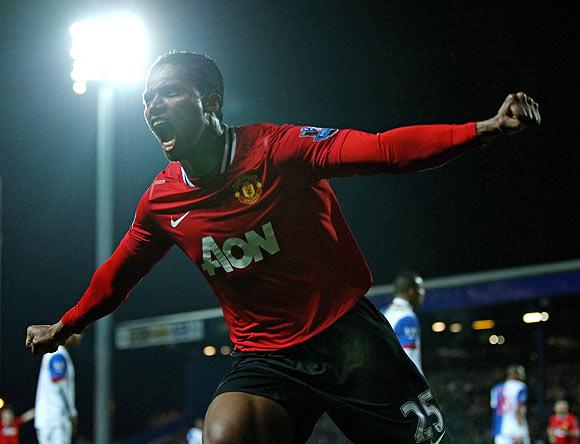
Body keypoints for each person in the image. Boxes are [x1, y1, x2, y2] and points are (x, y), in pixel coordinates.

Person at [25, 51, 540, 443]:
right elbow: (117, 276)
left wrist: (485, 129)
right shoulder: (161, 201)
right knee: (224, 435)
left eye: (168, 92)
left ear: (212, 101)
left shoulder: (279, 149)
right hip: (266, 357)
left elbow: (384, 150)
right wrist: (65, 325)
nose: (151, 105)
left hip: (347, 340)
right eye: (146, 99)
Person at [34, 334, 80, 444]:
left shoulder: (51, 352)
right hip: (58, 418)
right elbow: (60, 383)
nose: (79, 338)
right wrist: (72, 412)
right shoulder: (59, 353)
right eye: (77, 333)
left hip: (44, 418)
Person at [383, 271, 425, 373]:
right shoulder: (407, 317)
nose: (423, 292)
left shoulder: (384, 313)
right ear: (411, 291)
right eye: (420, 288)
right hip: (404, 384)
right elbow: (409, 359)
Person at [490, 364, 530, 444]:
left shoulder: (496, 388)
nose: (523, 375)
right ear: (513, 374)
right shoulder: (520, 386)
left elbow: (494, 408)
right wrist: (520, 430)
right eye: (521, 373)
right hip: (515, 430)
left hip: (500, 430)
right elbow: (519, 409)